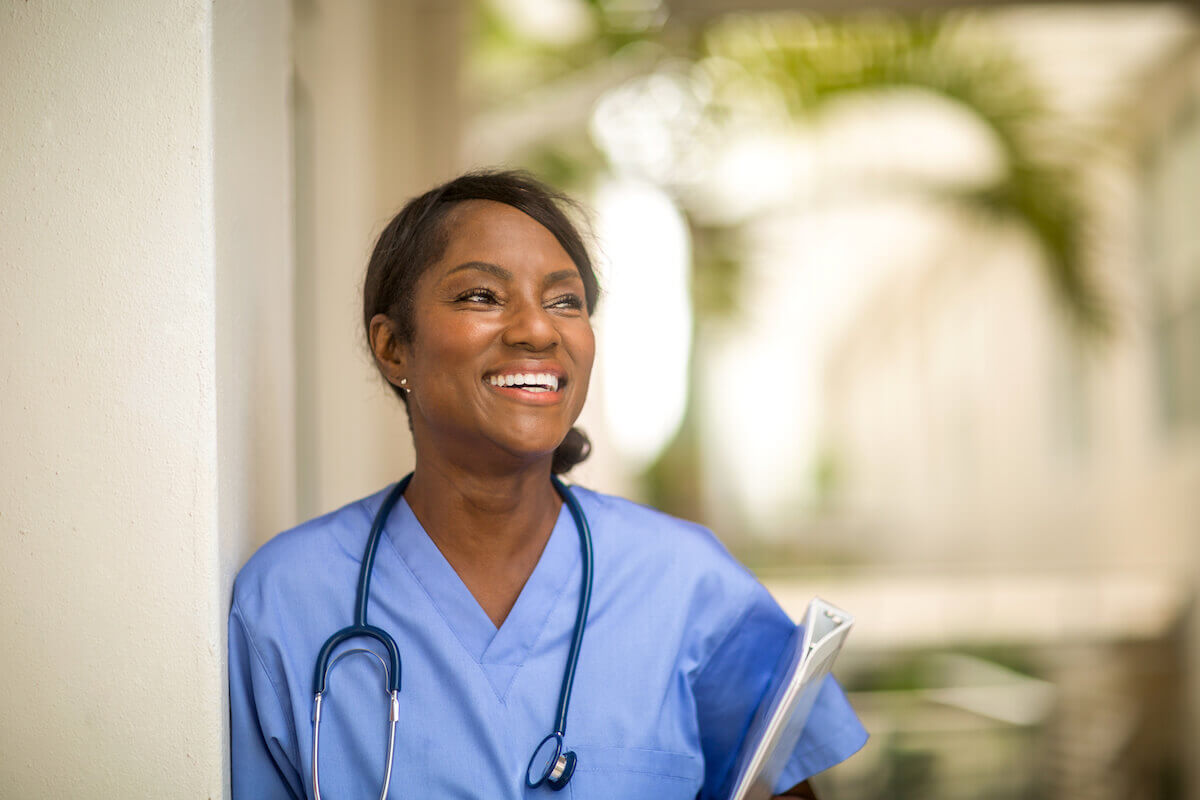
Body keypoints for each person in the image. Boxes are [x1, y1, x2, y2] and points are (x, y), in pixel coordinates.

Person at [229, 170, 867, 799]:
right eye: (482, 296)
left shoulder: (688, 584)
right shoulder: (288, 600)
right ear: (393, 347)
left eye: (565, 301)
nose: (538, 329)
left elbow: (780, 785)